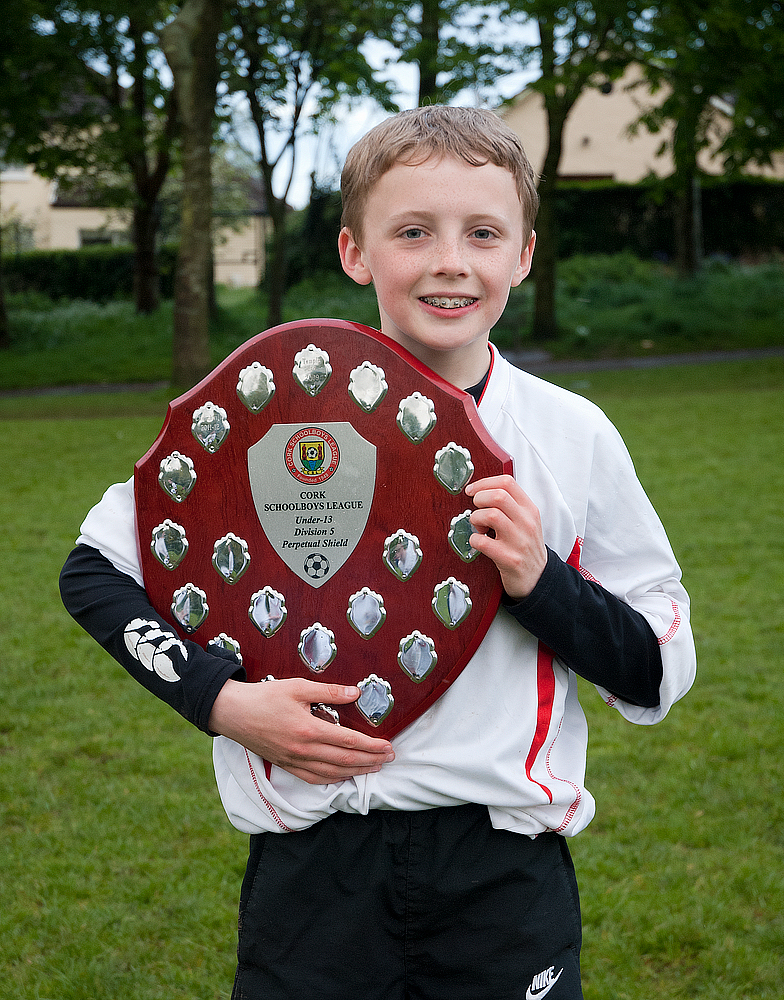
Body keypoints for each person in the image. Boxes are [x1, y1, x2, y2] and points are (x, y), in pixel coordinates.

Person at [60, 105, 695, 1000]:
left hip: (500, 875)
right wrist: (220, 700)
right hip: (311, 875)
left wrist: (538, 581)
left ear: (523, 254)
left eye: (482, 233)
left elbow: (657, 667)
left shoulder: (570, 434)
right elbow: (92, 572)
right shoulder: (270, 411)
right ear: (357, 253)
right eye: (412, 232)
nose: (449, 261)